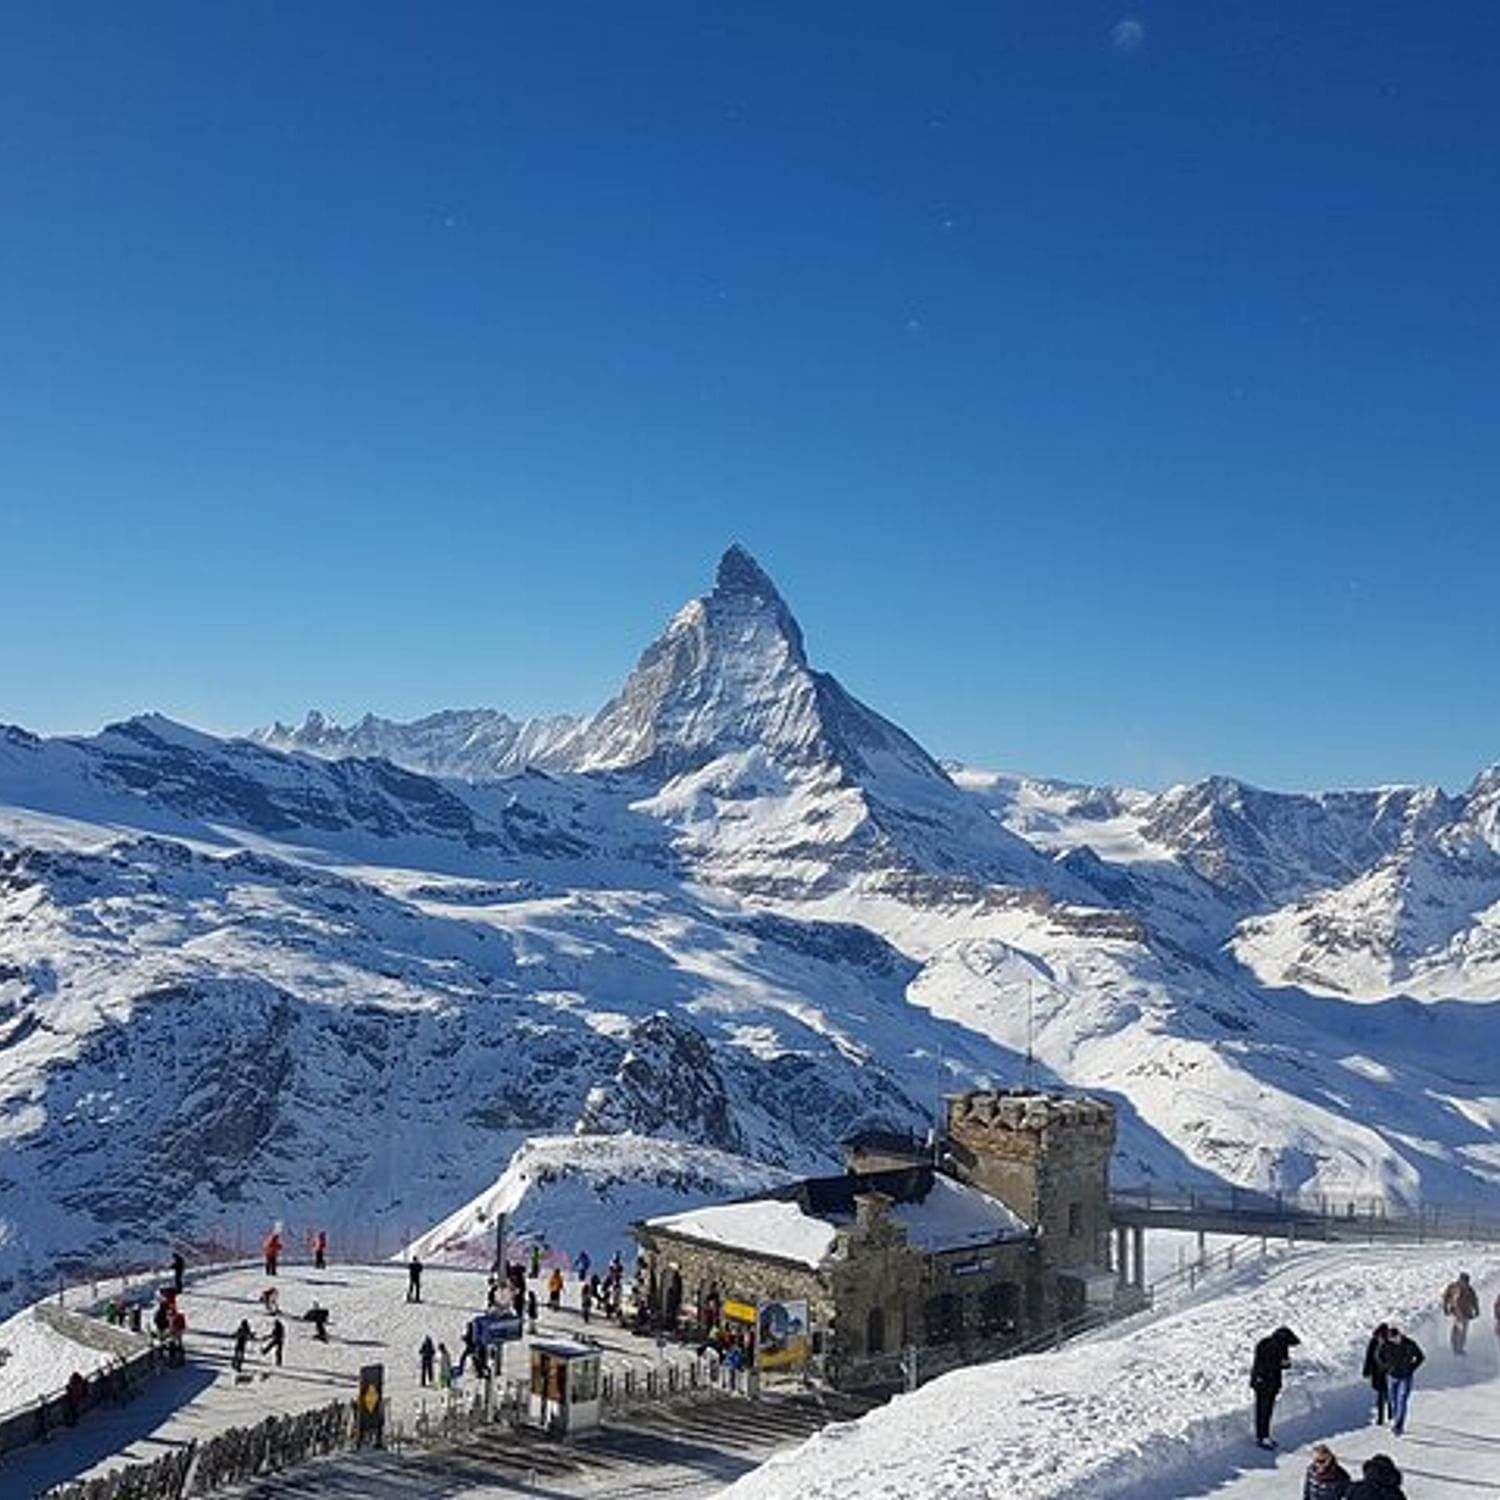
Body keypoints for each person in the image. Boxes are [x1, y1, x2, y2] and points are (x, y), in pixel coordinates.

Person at [1249, 1325, 1300, 1449]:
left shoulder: (1265, 1343)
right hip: (1266, 1384)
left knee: (1264, 1411)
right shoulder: (1274, 1347)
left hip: (1265, 1383)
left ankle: (1263, 1435)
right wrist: (1281, 1363)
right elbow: (1280, 1364)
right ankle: (1262, 1437)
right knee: (1264, 1411)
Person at [1373, 1325, 1424, 1436]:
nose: (1393, 1340)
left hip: (1406, 1377)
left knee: (1402, 1399)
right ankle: (1397, 1419)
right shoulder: (1386, 1345)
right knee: (1393, 1401)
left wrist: (1412, 1368)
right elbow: (1378, 1356)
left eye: (1395, 1338)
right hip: (1392, 1377)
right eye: (1391, 1338)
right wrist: (1386, 1367)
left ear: (1399, 1335)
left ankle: (1398, 1426)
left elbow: (1420, 1357)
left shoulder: (1409, 1344)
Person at [1442, 1270, 1480, 1354]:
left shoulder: (1470, 1290)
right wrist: (1445, 1308)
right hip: (1456, 1312)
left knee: (1463, 1331)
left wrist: (1477, 1310)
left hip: (1466, 1313)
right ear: (1460, 1280)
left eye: (1466, 1282)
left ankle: (1459, 1348)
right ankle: (1455, 1347)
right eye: (1463, 1281)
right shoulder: (1453, 1287)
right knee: (1456, 1330)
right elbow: (1445, 1297)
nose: (1465, 1284)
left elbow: (1474, 1300)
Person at [1362, 1322, 1390, 1424]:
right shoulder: (1373, 1341)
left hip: (1384, 1370)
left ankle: (1382, 1416)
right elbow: (1369, 1356)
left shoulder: (1387, 1341)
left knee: (1382, 1391)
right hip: (1376, 1370)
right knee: (1381, 1390)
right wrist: (1366, 1370)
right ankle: (1385, 1413)